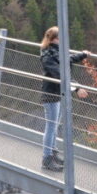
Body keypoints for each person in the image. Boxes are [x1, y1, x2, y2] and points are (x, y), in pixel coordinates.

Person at [38, 27, 89, 172]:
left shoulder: (55, 50)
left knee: (54, 125)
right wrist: (77, 88)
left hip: (57, 93)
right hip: (51, 94)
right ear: (55, 38)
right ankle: (47, 158)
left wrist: (82, 55)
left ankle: (52, 154)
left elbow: (68, 59)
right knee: (51, 126)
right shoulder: (48, 54)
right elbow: (60, 73)